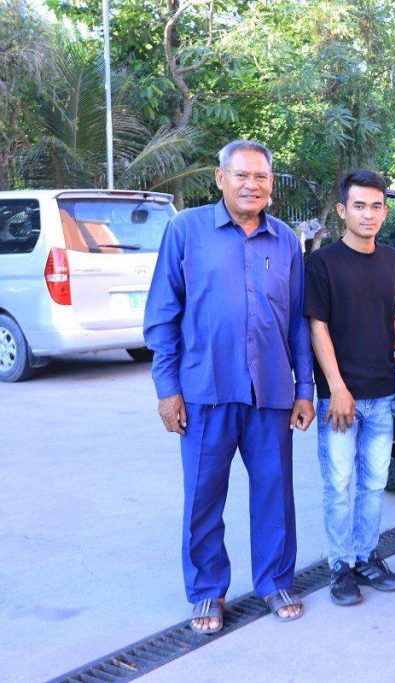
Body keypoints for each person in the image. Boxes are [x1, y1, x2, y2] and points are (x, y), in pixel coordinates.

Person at [144, 139, 314, 634]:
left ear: (271, 184)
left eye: (261, 177)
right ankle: (207, 590)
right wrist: (167, 389)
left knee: (274, 493)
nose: (251, 185)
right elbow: (162, 314)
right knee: (203, 496)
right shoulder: (186, 230)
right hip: (205, 390)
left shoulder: (286, 241)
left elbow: (298, 321)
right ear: (221, 179)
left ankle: (275, 581)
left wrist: (305, 387)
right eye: (241, 175)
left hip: (271, 393)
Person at [304, 170, 395, 606]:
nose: (368, 214)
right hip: (340, 398)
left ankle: (366, 557)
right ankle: (340, 566)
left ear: (384, 211)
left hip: (380, 394)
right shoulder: (323, 263)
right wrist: (337, 388)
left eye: (376, 206)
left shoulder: (391, 260)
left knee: (374, 484)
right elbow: (317, 328)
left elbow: (390, 317)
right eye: (359, 205)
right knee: (339, 486)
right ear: (343, 210)